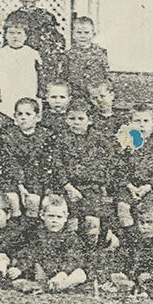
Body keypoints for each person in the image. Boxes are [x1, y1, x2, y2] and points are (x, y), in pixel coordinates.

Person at [0, 97, 66, 220]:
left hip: (36, 179)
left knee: (33, 201)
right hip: (12, 180)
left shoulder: (46, 136)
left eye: (28, 114)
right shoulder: (8, 135)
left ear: (37, 117)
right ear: (14, 117)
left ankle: (31, 230)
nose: (23, 117)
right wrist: (20, 185)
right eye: (20, 114)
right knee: (12, 198)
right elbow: (9, 161)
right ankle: (16, 227)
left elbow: (46, 163)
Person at [57, 100, 117, 240]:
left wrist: (103, 183)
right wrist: (68, 186)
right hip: (69, 187)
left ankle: (92, 253)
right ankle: (72, 253)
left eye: (80, 118)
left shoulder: (98, 139)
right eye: (72, 119)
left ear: (89, 121)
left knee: (92, 223)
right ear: (66, 120)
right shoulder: (61, 139)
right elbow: (57, 164)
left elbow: (110, 160)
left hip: (92, 188)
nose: (76, 122)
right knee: (71, 223)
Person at [14, 195, 87, 293]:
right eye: (51, 216)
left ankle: (57, 287)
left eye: (59, 217)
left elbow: (73, 258)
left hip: (61, 273)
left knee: (80, 274)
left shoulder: (71, 237)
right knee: (26, 272)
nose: (55, 220)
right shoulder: (36, 234)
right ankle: (42, 285)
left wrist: (63, 273)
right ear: (42, 215)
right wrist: (21, 268)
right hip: (42, 272)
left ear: (66, 217)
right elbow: (29, 253)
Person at [116, 104, 153, 228]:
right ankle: (128, 238)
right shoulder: (125, 143)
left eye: (146, 121)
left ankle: (146, 240)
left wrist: (149, 185)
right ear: (130, 123)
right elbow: (118, 167)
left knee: (148, 212)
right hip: (127, 186)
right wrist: (129, 185)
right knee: (123, 209)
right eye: (137, 121)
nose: (141, 125)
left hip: (149, 187)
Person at [0, 17, 42, 117]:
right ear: (5, 35)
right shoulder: (1, 52)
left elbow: (40, 72)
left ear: (26, 36)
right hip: (7, 89)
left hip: (26, 89)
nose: (15, 36)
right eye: (11, 33)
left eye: (19, 33)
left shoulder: (32, 53)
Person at [63, 16, 109, 97]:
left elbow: (106, 74)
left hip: (96, 95)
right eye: (79, 32)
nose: (83, 36)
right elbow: (64, 77)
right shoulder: (68, 55)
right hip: (76, 96)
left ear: (93, 34)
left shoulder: (100, 53)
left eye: (86, 32)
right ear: (73, 35)